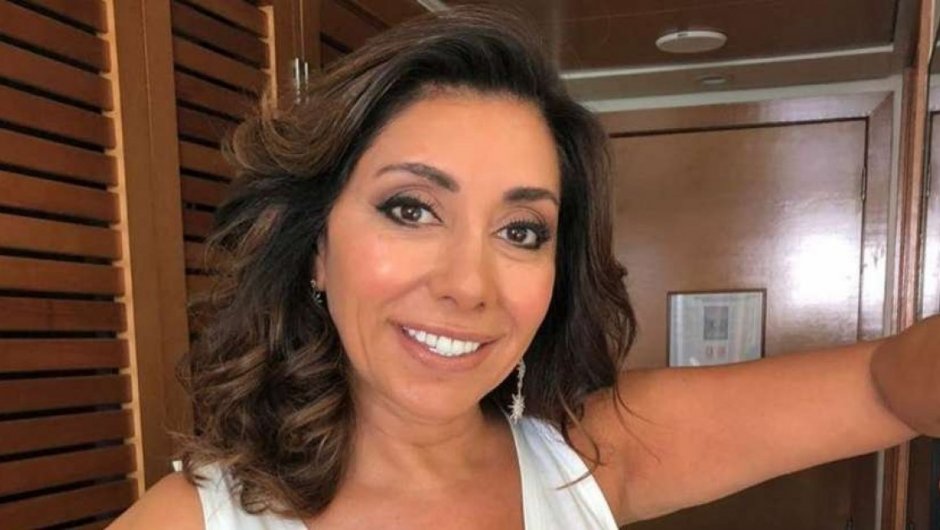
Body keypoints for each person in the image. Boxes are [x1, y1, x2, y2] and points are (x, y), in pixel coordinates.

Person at [111, 6, 938, 529]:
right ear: (315, 248)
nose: (468, 285)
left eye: (520, 230)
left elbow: (883, 386)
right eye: (411, 209)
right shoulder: (195, 520)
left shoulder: (593, 457)